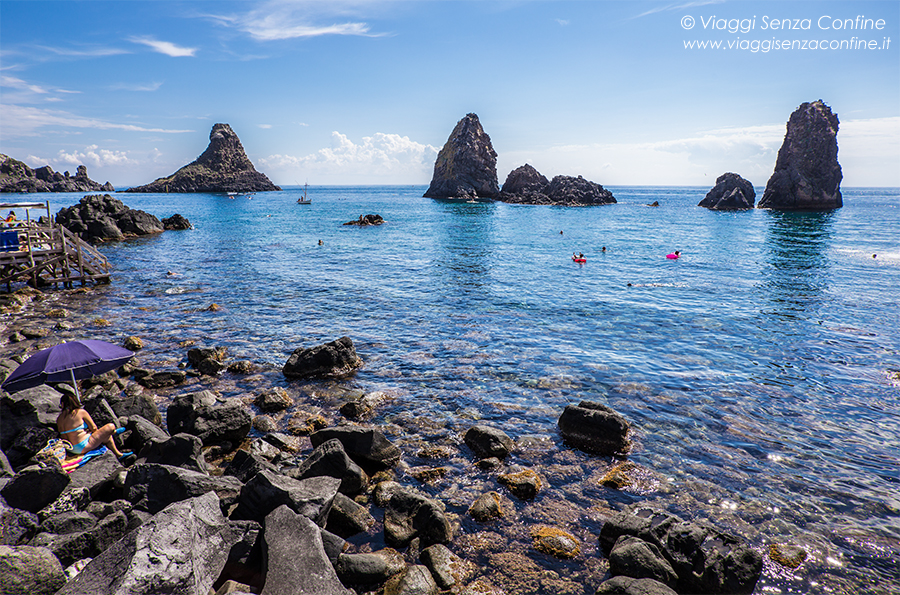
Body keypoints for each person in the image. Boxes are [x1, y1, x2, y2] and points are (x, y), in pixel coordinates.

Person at [56, 392, 131, 459]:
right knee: (110, 426)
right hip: (82, 446)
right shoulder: (80, 412)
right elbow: (94, 428)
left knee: (107, 437)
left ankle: (119, 454)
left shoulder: (59, 418)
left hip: (70, 448)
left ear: (62, 404)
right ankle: (114, 432)